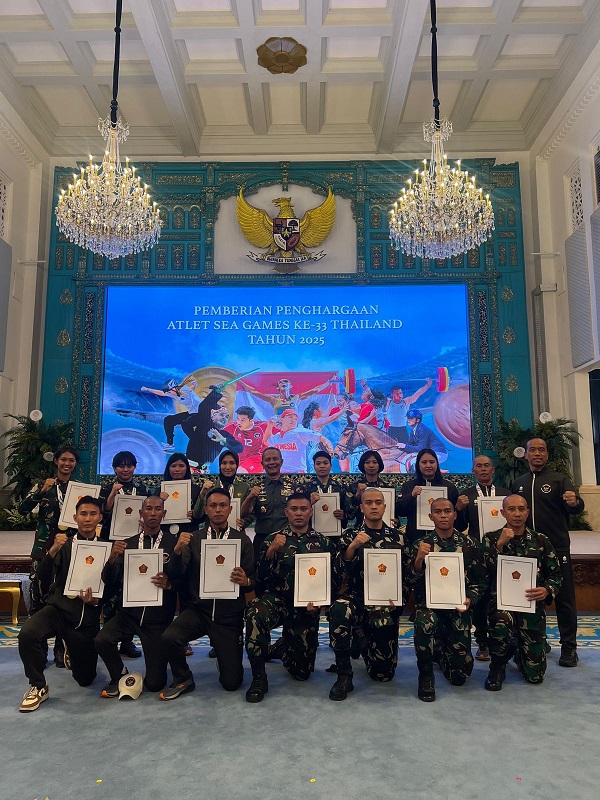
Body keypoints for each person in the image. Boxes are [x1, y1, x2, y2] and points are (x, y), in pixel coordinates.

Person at [159, 487, 255, 699]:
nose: (218, 510)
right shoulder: (193, 539)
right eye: (213, 505)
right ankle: (183, 678)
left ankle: (224, 657)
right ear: (206, 510)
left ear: (230, 509)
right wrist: (177, 552)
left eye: (222, 505)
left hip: (229, 616)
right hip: (199, 611)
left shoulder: (242, 540)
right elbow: (177, 573)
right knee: (169, 637)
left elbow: (252, 579)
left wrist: (246, 581)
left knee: (232, 683)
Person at [244, 491, 336, 703]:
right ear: (286, 512)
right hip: (277, 600)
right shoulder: (273, 539)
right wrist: (271, 551)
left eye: (303, 509)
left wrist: (321, 603)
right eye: (294, 509)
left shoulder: (323, 542)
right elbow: (260, 577)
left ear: (311, 511)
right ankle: (259, 678)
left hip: (306, 607)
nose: (299, 513)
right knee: (255, 613)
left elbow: (331, 578)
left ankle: (282, 647)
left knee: (302, 674)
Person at [17, 496, 105, 712]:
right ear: (75, 517)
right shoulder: (63, 545)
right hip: (58, 610)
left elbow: (112, 585)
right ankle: (38, 686)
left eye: (92, 514)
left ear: (100, 518)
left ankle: (69, 647)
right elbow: (42, 577)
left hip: (86, 621)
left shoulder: (107, 549)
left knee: (86, 679)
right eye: (83, 514)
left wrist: (97, 601)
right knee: (27, 633)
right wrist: (53, 550)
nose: (87, 519)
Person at [328, 488, 410, 701]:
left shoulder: (399, 537)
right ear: (362, 508)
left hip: (385, 604)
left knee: (383, 675)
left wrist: (398, 599)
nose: (374, 506)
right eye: (369, 503)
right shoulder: (350, 535)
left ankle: (361, 639)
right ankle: (344, 674)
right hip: (357, 598)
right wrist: (352, 547)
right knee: (339, 608)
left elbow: (408, 574)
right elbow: (337, 572)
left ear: (385, 506)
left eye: (378, 502)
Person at [94, 495, 179, 697]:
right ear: (141, 513)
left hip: (157, 619)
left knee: (155, 684)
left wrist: (170, 585)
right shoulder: (127, 544)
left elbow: (184, 579)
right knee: (101, 640)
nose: (153, 513)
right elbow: (109, 580)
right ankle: (119, 674)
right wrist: (112, 558)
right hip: (129, 614)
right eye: (148, 509)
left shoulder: (173, 544)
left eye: (158, 509)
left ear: (164, 514)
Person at [511, 437, 584, 667]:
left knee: (564, 598)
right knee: (531, 596)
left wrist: (574, 502)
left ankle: (569, 647)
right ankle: (538, 640)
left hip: (557, 547)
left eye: (542, 450)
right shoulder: (518, 483)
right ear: (526, 454)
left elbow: (576, 507)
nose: (537, 453)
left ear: (547, 455)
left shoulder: (560, 480)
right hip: (528, 549)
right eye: (533, 450)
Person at [480, 494, 562, 691]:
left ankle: (517, 649)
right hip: (501, 605)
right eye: (511, 509)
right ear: (503, 513)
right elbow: (483, 573)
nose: (517, 513)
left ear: (527, 512)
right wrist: (499, 545)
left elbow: (556, 575)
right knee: (501, 622)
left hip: (530, 606)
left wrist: (547, 589)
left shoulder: (541, 540)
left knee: (535, 677)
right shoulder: (490, 538)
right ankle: (497, 666)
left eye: (521, 509)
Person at [410, 497, 488, 702]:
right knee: (425, 621)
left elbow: (481, 580)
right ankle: (426, 674)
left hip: (458, 609)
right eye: (438, 512)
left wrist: (470, 599)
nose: (443, 515)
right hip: (429, 608)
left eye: (447, 511)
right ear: (430, 516)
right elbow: (409, 580)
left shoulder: (470, 544)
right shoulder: (421, 545)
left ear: (454, 514)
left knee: (459, 678)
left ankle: (440, 651)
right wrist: (418, 560)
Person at [19, 444, 81, 666]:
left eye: (71, 460)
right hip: (44, 549)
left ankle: (61, 651)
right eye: (63, 459)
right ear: (56, 461)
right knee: (39, 597)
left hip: (69, 549)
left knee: (64, 599)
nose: (67, 463)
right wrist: (42, 491)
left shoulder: (78, 489)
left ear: (75, 464)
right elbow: (22, 510)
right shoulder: (42, 485)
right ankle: (39, 649)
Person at [454, 455, 510, 661]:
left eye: (487, 466)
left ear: (493, 470)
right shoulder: (466, 495)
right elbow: (460, 526)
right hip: (477, 555)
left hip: (503, 552)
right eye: (479, 466)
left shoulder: (505, 494)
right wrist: (459, 509)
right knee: (480, 598)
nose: (483, 469)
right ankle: (482, 641)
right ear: (473, 470)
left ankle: (504, 639)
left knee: (502, 596)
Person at [99, 450, 148, 659]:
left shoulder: (142, 489)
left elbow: (149, 512)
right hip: (113, 543)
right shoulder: (106, 488)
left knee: (130, 590)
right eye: (121, 465)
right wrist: (112, 494)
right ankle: (109, 639)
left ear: (135, 467)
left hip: (135, 544)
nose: (125, 469)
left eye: (129, 465)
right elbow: (104, 512)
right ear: (114, 468)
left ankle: (127, 641)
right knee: (111, 589)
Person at [240, 448, 296, 560]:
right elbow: (244, 514)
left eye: (275, 459)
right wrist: (250, 497)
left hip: (287, 539)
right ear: (262, 464)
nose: (272, 462)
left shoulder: (293, 488)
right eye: (268, 460)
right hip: (262, 539)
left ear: (281, 462)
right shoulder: (256, 488)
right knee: (259, 570)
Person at [396, 448, 459, 546]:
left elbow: (457, 518)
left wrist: (460, 507)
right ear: (418, 464)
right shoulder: (409, 486)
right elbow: (400, 511)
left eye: (432, 462)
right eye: (424, 462)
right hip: (415, 538)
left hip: (444, 541)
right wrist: (411, 496)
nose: (428, 465)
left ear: (437, 464)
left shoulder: (449, 487)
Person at [141, 377, 201, 452]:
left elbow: (192, 388)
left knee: (185, 424)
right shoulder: (173, 394)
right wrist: (148, 389)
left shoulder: (183, 390)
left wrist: (194, 384)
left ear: (174, 389)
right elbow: (161, 393)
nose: (169, 394)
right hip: (191, 412)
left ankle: (198, 444)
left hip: (201, 413)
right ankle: (170, 444)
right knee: (168, 420)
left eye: (169, 392)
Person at [192, 450, 250, 527]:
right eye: (224, 463)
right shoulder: (210, 487)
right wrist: (202, 494)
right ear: (220, 465)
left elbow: (251, 514)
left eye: (232, 463)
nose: (228, 467)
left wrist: (245, 522)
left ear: (237, 465)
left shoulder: (244, 488)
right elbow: (197, 515)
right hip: (212, 532)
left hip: (236, 532)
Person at [265, 409, 332, 474]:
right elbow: (266, 441)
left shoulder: (300, 432)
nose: (293, 420)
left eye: (295, 419)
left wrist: (327, 444)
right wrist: (270, 426)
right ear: (281, 419)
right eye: (290, 417)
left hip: (298, 472)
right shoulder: (277, 436)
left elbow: (320, 437)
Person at [238, 375, 336, 417]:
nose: (283, 382)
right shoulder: (273, 399)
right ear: (278, 387)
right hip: (278, 427)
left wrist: (330, 381)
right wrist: (241, 382)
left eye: (286, 382)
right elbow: (254, 392)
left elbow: (316, 390)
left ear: (290, 386)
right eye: (280, 382)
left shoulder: (296, 397)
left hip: (292, 428)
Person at [345, 450, 390, 530]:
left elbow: (394, 514)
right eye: (367, 462)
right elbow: (349, 515)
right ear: (363, 465)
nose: (371, 465)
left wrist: (396, 521)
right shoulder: (354, 487)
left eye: (375, 462)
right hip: (360, 530)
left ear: (379, 464)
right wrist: (357, 496)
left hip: (384, 531)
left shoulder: (387, 488)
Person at [306, 450, 348, 527]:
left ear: (330, 466)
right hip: (311, 531)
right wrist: (309, 503)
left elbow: (348, 511)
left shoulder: (340, 487)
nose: (322, 466)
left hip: (335, 529)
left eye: (325, 463)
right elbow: (299, 511)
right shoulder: (306, 487)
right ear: (314, 467)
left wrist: (343, 515)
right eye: (318, 463)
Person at [222, 405, 268, 474]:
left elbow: (282, 431)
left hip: (256, 458)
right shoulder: (233, 426)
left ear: (251, 420)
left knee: (240, 472)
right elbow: (219, 433)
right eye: (238, 419)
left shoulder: (261, 426)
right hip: (240, 460)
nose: (239, 422)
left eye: (243, 420)